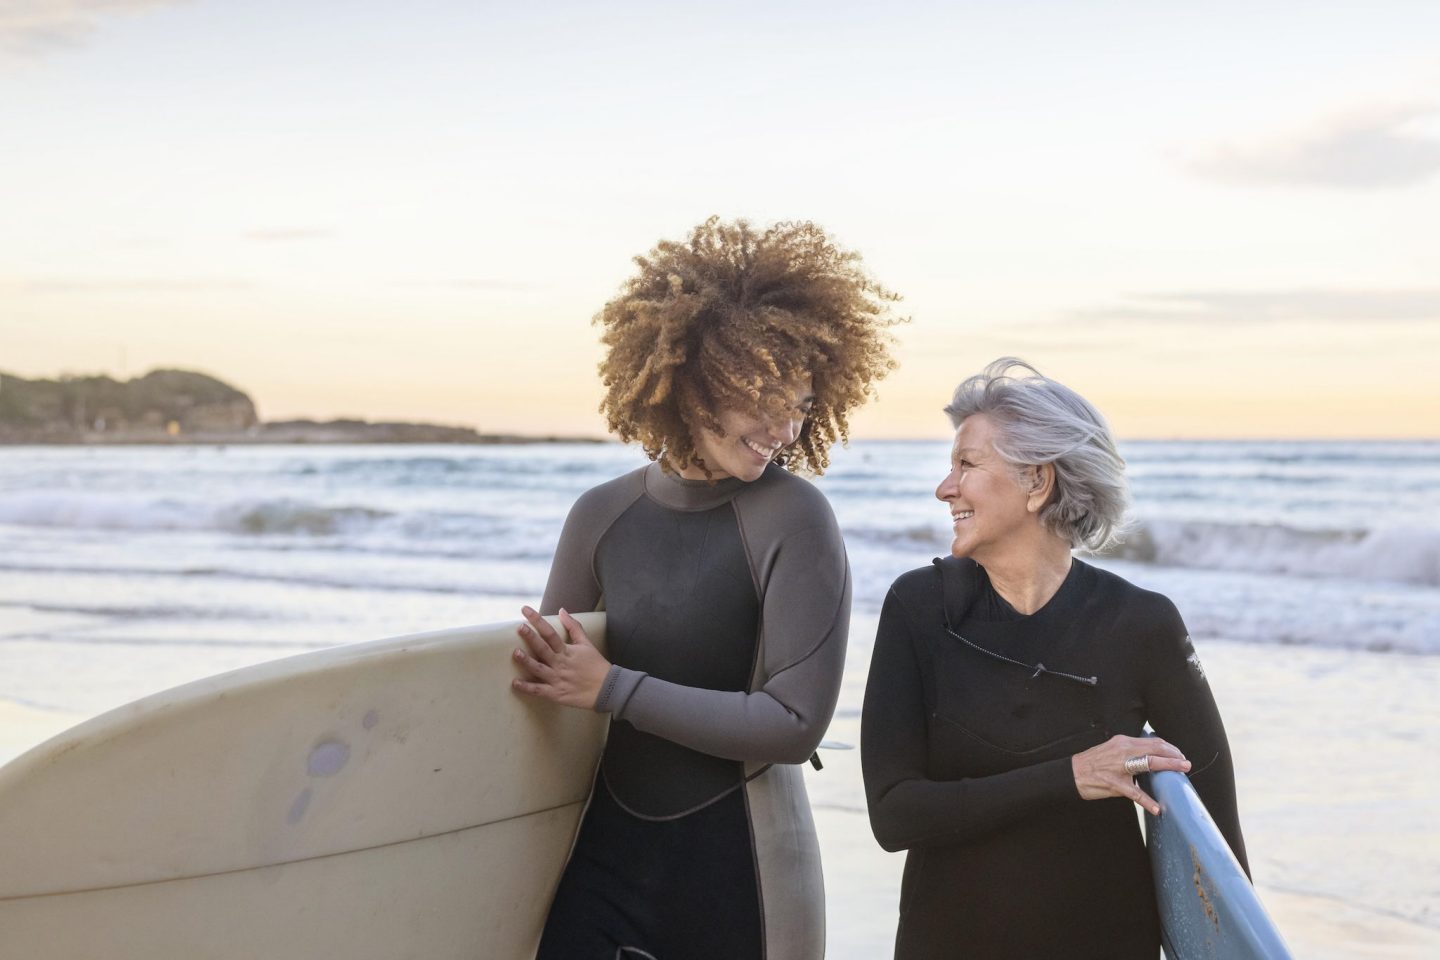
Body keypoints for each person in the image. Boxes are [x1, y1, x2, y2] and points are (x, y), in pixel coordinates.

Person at [511, 217, 898, 960]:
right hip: (602, 865)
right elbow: (548, 692)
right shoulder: (600, 515)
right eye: (767, 398)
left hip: (743, 872)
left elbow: (794, 724)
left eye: (802, 406)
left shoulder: (795, 519)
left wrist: (612, 688)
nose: (786, 429)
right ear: (696, 382)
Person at [861, 358, 1248, 959]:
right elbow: (894, 815)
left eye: (967, 464)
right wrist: (1073, 775)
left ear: (1037, 482)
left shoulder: (1141, 623)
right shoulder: (919, 608)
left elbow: (1217, 838)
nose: (945, 488)